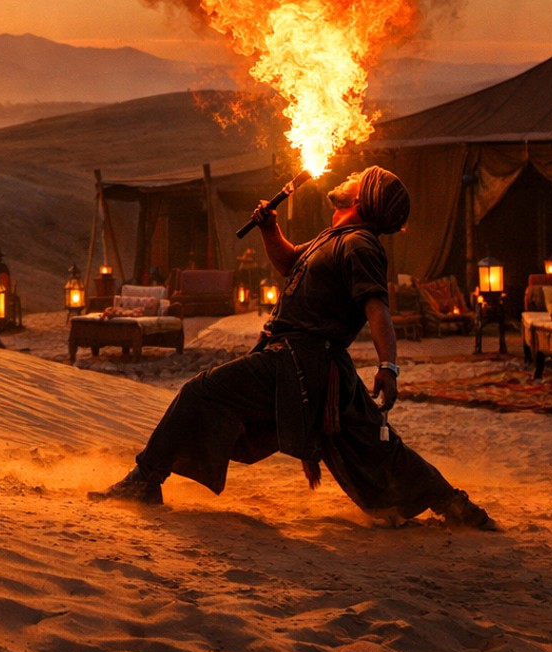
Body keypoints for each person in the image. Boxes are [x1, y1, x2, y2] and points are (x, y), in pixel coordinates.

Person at [90, 166, 495, 530]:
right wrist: (270, 229)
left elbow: (378, 310)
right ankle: (453, 505)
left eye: (358, 177)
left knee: (200, 391)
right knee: (374, 444)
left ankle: (144, 482)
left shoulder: (360, 245)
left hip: (301, 364)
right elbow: (290, 262)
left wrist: (389, 366)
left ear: (362, 197)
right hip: (316, 369)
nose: (348, 175)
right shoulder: (333, 237)